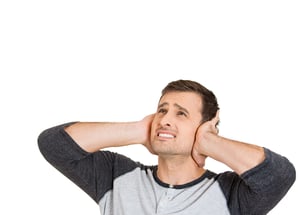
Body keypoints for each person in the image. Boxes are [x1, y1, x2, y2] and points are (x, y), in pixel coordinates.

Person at [38, 79, 295, 215]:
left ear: (205, 126)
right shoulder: (116, 176)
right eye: (162, 110)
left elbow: (279, 176)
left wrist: (209, 142)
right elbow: (54, 144)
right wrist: (139, 130)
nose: (165, 119)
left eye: (181, 114)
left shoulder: (231, 194)